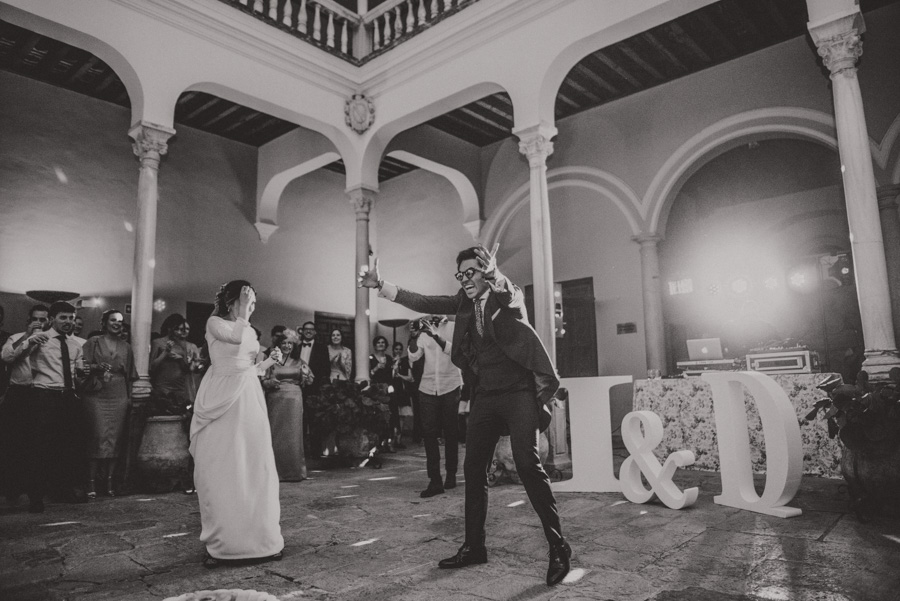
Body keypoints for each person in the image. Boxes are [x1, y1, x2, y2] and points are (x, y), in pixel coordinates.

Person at [358, 244, 571, 586]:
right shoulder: (463, 303)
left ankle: (559, 547)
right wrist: (382, 285)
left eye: (472, 272)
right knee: (473, 469)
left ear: (486, 270)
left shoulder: (506, 293)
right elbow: (425, 302)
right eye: (461, 274)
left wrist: (495, 275)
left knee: (528, 464)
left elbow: (512, 297)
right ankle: (474, 546)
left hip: (518, 393)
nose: (465, 279)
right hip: (485, 395)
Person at [190, 280, 284, 567]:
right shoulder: (215, 322)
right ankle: (225, 543)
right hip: (221, 395)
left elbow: (248, 369)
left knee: (254, 464)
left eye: (253, 304)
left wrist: (268, 364)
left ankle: (261, 540)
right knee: (221, 466)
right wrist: (243, 312)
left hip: (248, 397)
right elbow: (235, 340)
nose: (251, 308)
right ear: (232, 302)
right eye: (246, 302)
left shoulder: (245, 325)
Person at [26, 301, 89, 512]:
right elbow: (14, 358)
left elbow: (77, 373)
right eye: (63, 317)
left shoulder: (75, 345)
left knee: (68, 446)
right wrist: (29, 341)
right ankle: (36, 497)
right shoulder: (41, 340)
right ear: (52, 319)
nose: (68, 322)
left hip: (68, 397)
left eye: (71, 318)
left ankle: (63, 490)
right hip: (45, 396)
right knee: (41, 447)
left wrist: (85, 374)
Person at [81, 309, 135, 498]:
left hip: (118, 392)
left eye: (120, 321)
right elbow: (81, 367)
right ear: (104, 323)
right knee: (97, 436)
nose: (117, 323)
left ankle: (110, 482)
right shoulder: (92, 343)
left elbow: (130, 374)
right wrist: (97, 367)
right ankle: (91, 483)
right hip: (97, 393)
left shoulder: (126, 346)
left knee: (115, 438)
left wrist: (128, 398)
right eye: (113, 320)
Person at [407, 315, 462, 498]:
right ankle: (435, 480)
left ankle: (452, 473)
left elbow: (454, 351)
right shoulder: (423, 331)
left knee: (451, 432)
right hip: (427, 387)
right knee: (429, 434)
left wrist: (436, 336)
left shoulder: (454, 327)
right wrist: (415, 336)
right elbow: (414, 356)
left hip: (450, 386)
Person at [0, 305, 49, 507]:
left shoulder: (54, 341)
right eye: (35, 319)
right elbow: (7, 357)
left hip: (41, 393)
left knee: (37, 446)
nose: (39, 323)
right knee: (12, 444)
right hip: (18, 394)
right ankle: (11, 490)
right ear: (28, 321)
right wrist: (27, 337)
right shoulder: (16, 337)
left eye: (43, 320)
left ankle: (36, 496)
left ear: (50, 321)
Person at [262, 329, 307, 482]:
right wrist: (270, 382)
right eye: (284, 343)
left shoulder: (299, 362)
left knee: (293, 434)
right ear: (278, 345)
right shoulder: (272, 360)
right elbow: (263, 380)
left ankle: (294, 472)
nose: (287, 346)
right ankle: (276, 472)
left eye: (290, 343)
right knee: (276, 433)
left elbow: (308, 379)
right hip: (276, 398)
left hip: (294, 398)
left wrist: (305, 377)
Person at [150, 314, 201, 414]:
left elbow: (187, 369)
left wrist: (182, 360)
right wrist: (165, 353)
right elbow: (152, 367)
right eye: (177, 329)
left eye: (182, 329)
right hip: (162, 388)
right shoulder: (158, 342)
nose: (180, 332)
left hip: (180, 389)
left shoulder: (183, 345)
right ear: (169, 328)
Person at [297, 321, 330, 456]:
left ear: (315, 332)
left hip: (314, 389)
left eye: (311, 329)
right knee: (299, 419)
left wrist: (320, 388)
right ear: (302, 331)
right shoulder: (296, 347)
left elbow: (326, 370)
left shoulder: (322, 348)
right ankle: (300, 450)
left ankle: (316, 451)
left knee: (314, 420)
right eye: (306, 329)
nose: (309, 331)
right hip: (298, 388)